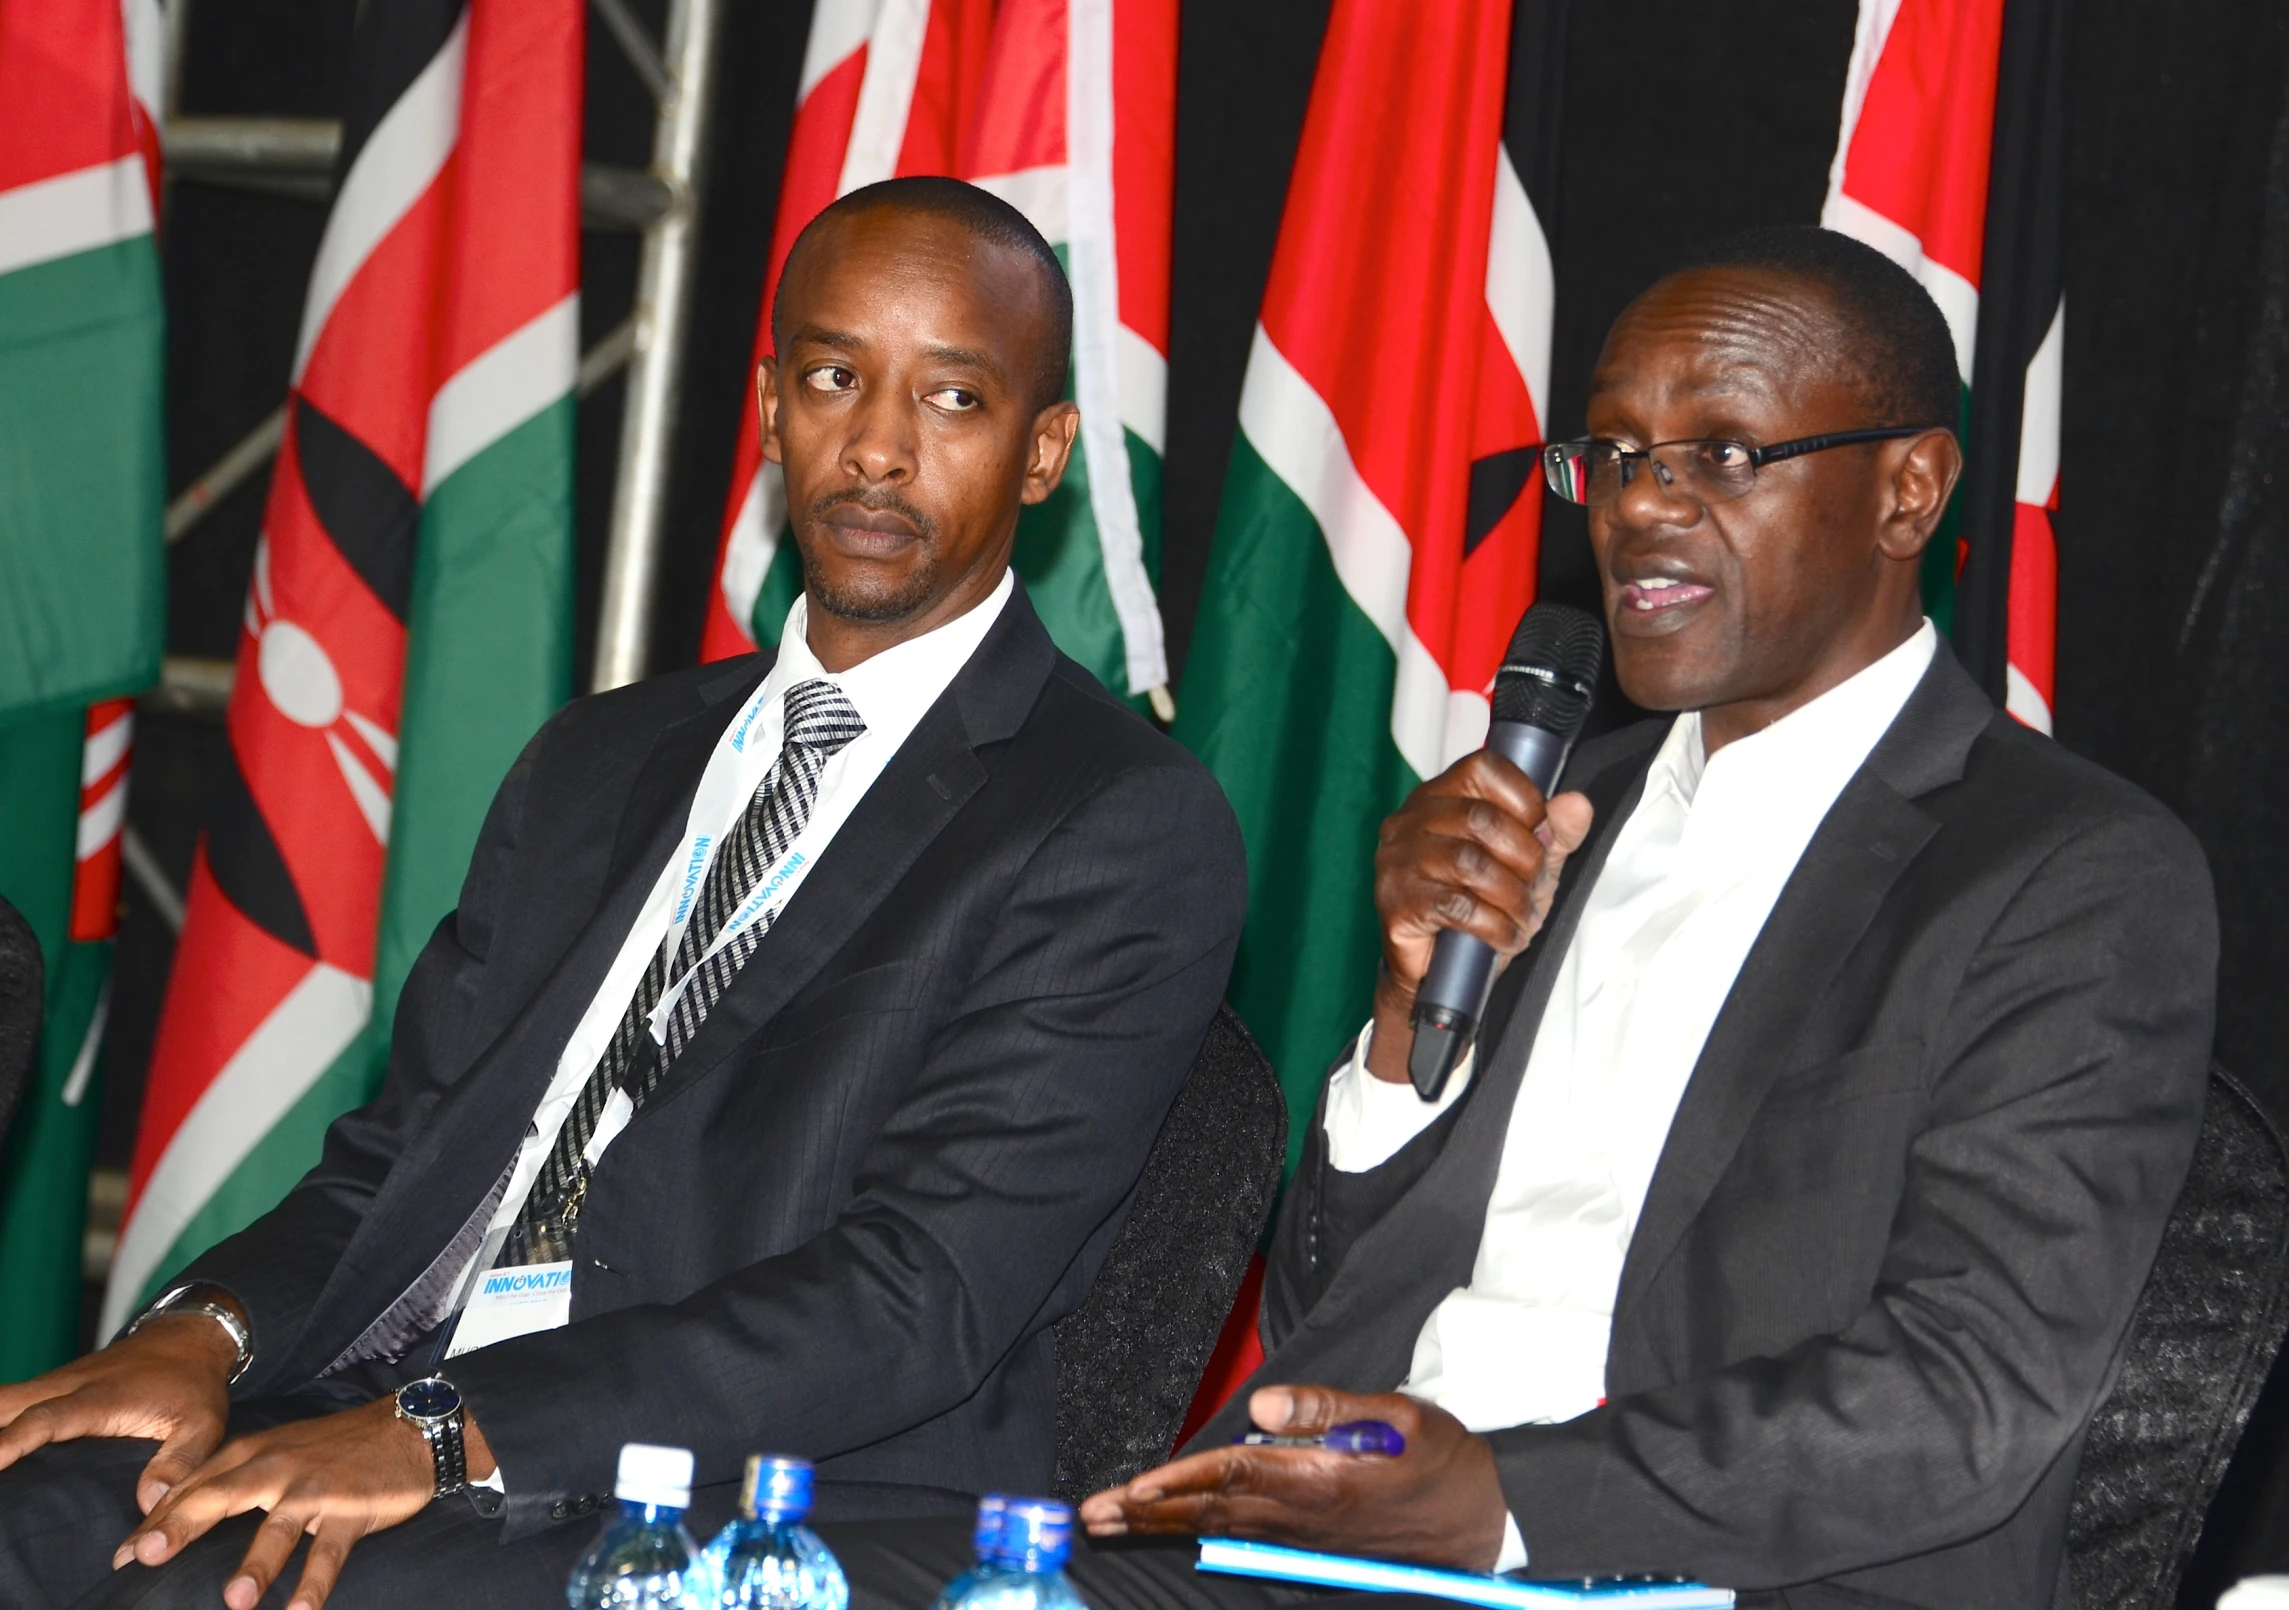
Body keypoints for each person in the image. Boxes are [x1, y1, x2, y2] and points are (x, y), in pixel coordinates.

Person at [822, 226, 2218, 1610]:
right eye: (1611, 455)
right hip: (1335, 1547)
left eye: (1722, 454)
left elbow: (1972, 1392)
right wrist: (1397, 1020)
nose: (1639, 507)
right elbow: (1324, 1313)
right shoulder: (1545, 809)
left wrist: (1503, 1499)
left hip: (1698, 1580)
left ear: (1908, 491)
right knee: (764, 1584)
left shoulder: (2064, 871)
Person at [0, 177, 1246, 1610]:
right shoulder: (603, 759)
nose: (882, 451)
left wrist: (452, 1429)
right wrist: (207, 1332)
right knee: (30, 1516)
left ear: (1043, 453)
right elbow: (396, 1162)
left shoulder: (1116, 817)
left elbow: (918, 1295)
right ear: (771, 403)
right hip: (395, 1399)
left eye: (953, 402)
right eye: (837, 378)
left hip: (740, 1494)